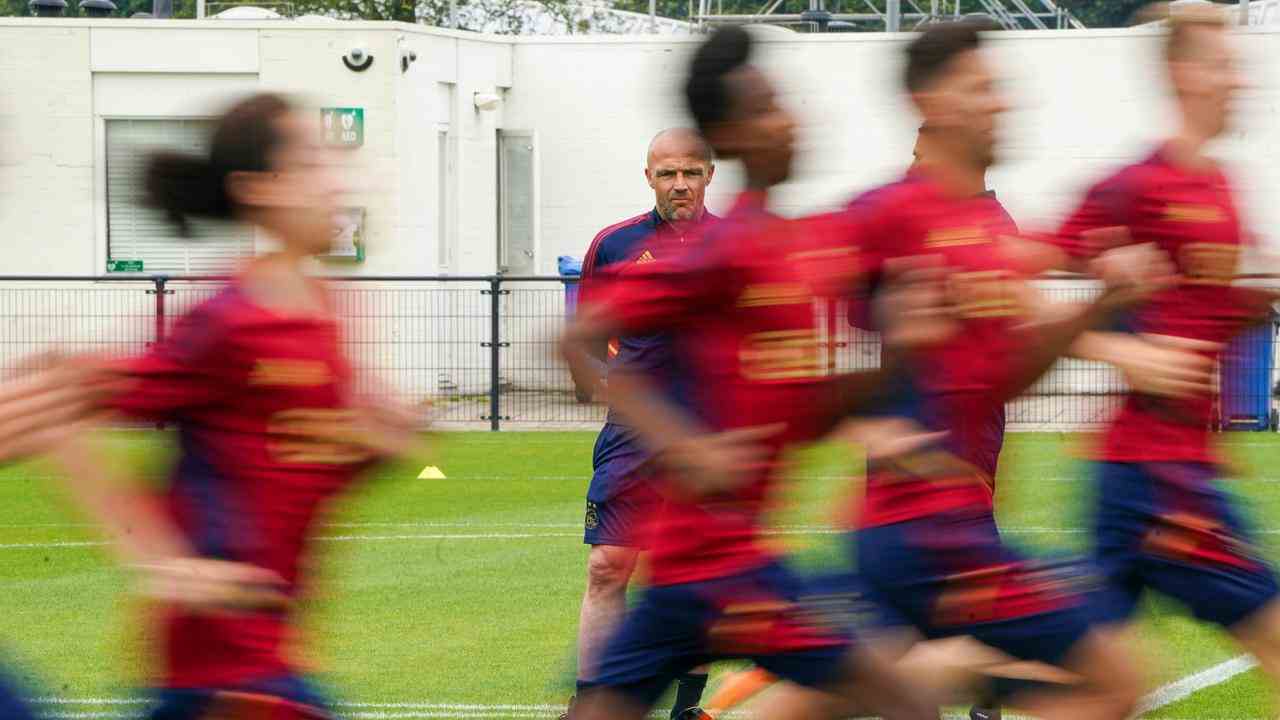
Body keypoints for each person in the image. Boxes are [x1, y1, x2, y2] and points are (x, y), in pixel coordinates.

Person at [0, 93, 421, 719]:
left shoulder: (331, 309)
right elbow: (57, 394)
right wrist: (161, 562)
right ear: (257, 188)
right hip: (220, 664)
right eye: (311, 164)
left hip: (275, 653)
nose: (337, 182)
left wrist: (383, 444)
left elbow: (304, 462)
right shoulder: (226, 319)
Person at [561, 25, 939, 720]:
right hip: (711, 565)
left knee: (908, 699)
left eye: (784, 102)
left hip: (732, 562)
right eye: (767, 108)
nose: (790, 119)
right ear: (730, 137)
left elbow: (808, 409)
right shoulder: (722, 253)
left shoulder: (795, 247)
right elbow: (575, 338)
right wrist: (682, 444)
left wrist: (898, 359)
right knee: (908, 702)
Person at [839, 19, 1174, 720]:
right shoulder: (891, 214)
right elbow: (787, 321)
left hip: (965, 490)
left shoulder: (990, 222)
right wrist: (865, 424)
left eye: (998, 89)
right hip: (917, 517)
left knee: (886, 675)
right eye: (981, 89)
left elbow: (1020, 330)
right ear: (928, 109)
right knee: (1111, 679)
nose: (1001, 104)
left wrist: (1104, 317)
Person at [1053, 2, 1280, 699]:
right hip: (1161, 483)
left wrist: (1254, 302)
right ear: (1184, 74)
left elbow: (1208, 317)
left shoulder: (1221, 188)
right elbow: (1026, 280)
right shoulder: (1139, 185)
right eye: (1222, 66)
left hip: (1145, 471)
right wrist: (1124, 354)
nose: (1238, 80)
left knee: (1106, 693)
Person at [566, 128, 718, 720]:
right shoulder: (614, 245)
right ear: (648, 177)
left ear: (709, 174)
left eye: (691, 172)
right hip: (632, 436)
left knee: (694, 571)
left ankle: (687, 708)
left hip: (709, 435)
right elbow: (584, 333)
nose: (679, 184)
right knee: (607, 566)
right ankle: (590, 705)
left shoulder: (737, 245)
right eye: (666, 173)